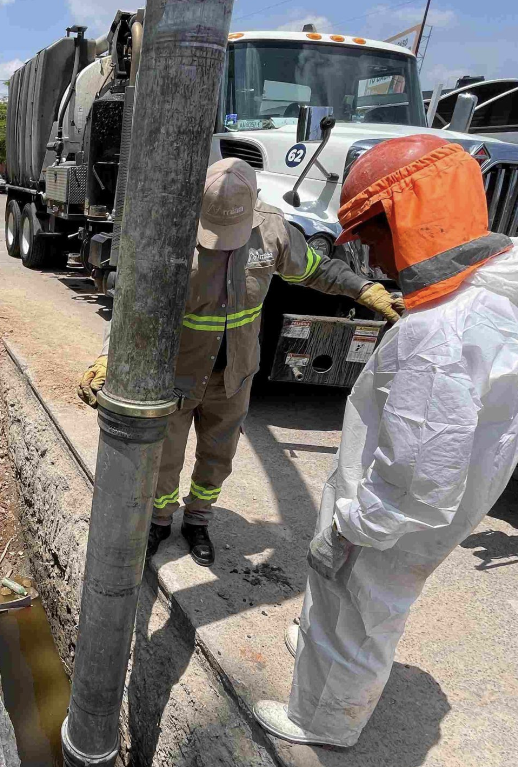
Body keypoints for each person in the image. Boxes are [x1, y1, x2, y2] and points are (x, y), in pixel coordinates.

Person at [254, 135, 518, 748]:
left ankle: (324, 721)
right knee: (352, 600)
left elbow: (420, 469)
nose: (370, 255)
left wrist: (356, 526)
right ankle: (322, 653)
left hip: (391, 513)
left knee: (359, 603)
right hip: (432, 501)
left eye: (371, 234)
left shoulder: (440, 332)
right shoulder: (497, 292)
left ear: (407, 218)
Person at [77, 157, 400, 565]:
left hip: (235, 375)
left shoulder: (273, 230)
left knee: (218, 456)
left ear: (253, 205)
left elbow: (316, 270)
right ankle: (160, 519)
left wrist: (363, 289)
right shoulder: (172, 233)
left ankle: (198, 519)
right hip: (177, 374)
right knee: (164, 457)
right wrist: (110, 356)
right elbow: (135, 305)